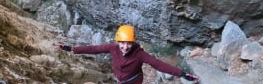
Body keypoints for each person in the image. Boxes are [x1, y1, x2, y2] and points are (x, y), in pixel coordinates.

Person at [56, 25, 200, 84]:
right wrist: (71, 49)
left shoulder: (140, 54)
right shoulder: (113, 48)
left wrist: (182, 74)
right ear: (118, 41)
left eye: (129, 43)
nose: (125, 47)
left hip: (134, 81)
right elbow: (94, 49)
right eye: (122, 43)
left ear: (133, 42)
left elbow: (158, 65)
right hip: (120, 80)